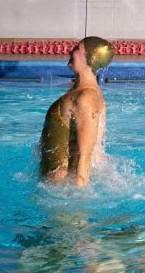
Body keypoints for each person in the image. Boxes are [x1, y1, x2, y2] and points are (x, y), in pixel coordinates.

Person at [39, 36, 114, 188]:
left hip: (61, 191)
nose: (71, 51)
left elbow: (85, 156)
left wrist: (78, 198)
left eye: (77, 49)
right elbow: (98, 155)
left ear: (90, 59)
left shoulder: (85, 98)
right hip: (56, 188)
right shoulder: (87, 93)